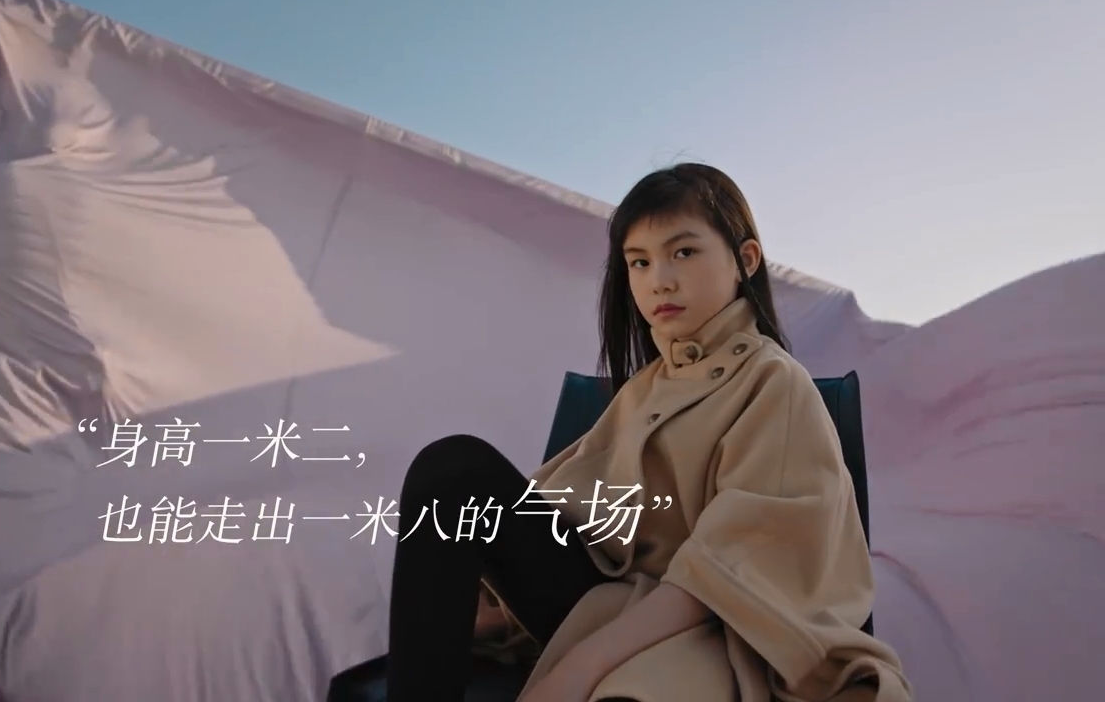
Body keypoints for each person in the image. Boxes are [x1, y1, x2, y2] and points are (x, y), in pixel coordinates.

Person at [385, 163, 913, 702]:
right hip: (610, 603)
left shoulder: (775, 383)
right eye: (639, 261)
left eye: (683, 252)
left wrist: (579, 670)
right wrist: (500, 609)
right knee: (453, 470)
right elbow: (575, 525)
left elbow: (730, 571)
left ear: (746, 260)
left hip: (712, 625)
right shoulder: (645, 388)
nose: (659, 278)